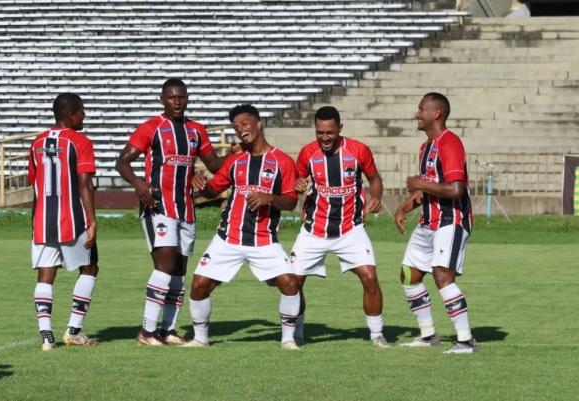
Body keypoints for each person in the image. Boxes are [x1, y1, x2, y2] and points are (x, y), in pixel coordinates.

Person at [116, 78, 232, 346]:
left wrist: (238, 154)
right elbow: (122, 161)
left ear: (187, 98)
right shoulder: (151, 127)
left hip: (186, 210)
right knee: (165, 266)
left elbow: (214, 163)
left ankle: (167, 330)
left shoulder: (195, 131)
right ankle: (146, 331)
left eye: (181, 97)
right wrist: (138, 183)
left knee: (179, 272)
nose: (177, 102)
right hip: (159, 207)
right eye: (172, 97)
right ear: (162, 100)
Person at [184, 104, 301, 350]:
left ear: (258, 124)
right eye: (236, 127)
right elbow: (213, 189)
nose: (240, 130)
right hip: (229, 237)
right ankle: (200, 339)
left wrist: (270, 198)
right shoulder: (236, 160)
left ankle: (288, 340)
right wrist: (200, 184)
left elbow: (291, 201)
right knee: (198, 285)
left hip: (264, 240)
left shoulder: (282, 161)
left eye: (244, 124)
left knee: (290, 283)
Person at [288, 106, 389, 348]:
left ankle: (377, 334)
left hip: (350, 229)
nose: (324, 137)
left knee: (370, 278)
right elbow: (296, 182)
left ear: (340, 129)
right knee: (293, 282)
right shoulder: (307, 153)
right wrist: (298, 186)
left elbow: (374, 178)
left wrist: (376, 198)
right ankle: (297, 332)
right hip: (315, 229)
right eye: (320, 132)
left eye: (330, 133)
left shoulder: (358, 150)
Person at [394, 92, 476, 354]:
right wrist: (404, 207)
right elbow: (427, 189)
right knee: (408, 275)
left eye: (421, 109)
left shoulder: (450, 143)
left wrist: (419, 183)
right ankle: (428, 335)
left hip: (450, 221)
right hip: (428, 221)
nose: (417, 114)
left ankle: (465, 341)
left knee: (442, 275)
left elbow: (455, 190)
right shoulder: (425, 146)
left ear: (436, 114)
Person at [28, 93, 99, 351]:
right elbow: (84, 183)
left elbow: (34, 183)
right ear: (70, 114)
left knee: (46, 276)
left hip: (42, 220)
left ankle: (47, 338)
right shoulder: (80, 141)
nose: (84, 116)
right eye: (82, 111)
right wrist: (91, 219)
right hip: (73, 220)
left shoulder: (36, 142)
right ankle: (73, 330)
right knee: (90, 268)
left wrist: (34, 221)